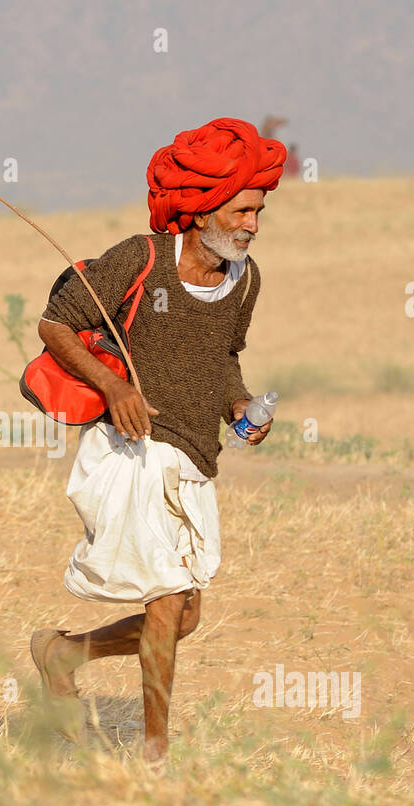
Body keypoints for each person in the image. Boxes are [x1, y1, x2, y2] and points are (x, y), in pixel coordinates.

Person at [30, 117, 283, 763]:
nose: (253, 223)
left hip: (196, 456)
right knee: (170, 603)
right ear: (200, 210)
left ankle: (65, 652)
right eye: (243, 210)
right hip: (131, 453)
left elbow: (223, 354)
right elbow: (57, 324)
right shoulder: (140, 260)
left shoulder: (244, 279)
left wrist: (238, 405)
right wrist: (115, 391)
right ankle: (155, 752)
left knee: (185, 615)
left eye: (258, 210)